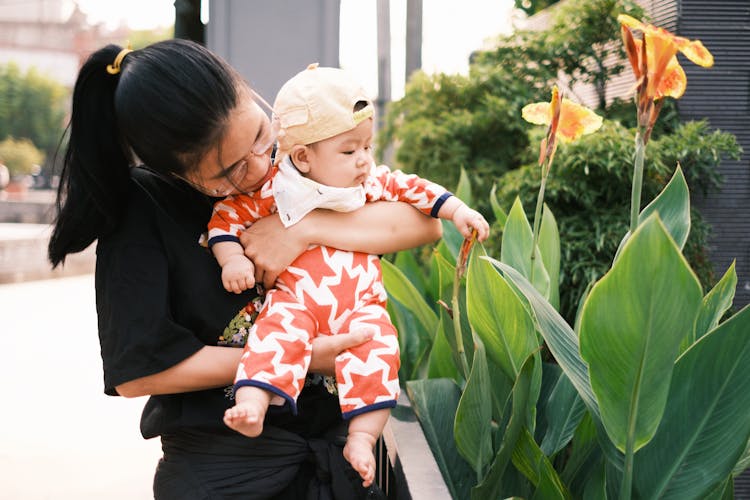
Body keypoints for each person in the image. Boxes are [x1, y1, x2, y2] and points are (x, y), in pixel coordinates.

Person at [47, 39, 443, 499]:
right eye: (228, 172)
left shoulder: (298, 155)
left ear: (248, 91)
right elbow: (137, 373)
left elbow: (423, 225)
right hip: (233, 478)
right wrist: (295, 357)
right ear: (173, 172)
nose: (259, 168)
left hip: (339, 459)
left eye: (259, 135)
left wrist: (302, 229)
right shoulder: (144, 209)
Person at [210, 64, 490, 487]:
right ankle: (252, 404)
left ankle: (362, 437)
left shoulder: (369, 182)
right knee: (274, 336)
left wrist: (459, 212)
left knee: (380, 351)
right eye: (349, 151)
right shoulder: (275, 188)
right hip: (296, 301)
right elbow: (227, 218)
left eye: (367, 147)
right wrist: (233, 259)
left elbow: (416, 190)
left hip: (361, 306)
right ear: (302, 156)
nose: (364, 160)